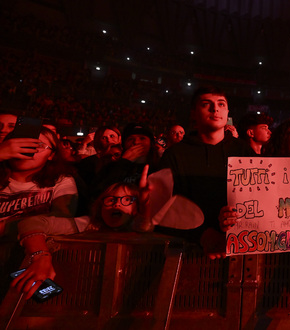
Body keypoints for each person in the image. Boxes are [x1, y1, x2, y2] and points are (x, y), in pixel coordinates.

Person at [10, 166, 151, 300]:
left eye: (127, 200)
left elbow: (144, 227)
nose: (117, 204)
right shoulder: (87, 225)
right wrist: (41, 257)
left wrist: (145, 206)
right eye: (111, 199)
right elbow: (30, 223)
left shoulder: (136, 226)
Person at [159, 86, 254, 258]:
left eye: (221, 104)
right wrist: (202, 234)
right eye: (206, 104)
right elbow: (164, 208)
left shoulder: (243, 151)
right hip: (187, 252)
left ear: (227, 112)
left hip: (239, 250)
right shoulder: (175, 155)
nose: (215, 109)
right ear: (194, 113)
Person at [0, 127, 77, 236]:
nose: (27, 150)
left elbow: (62, 218)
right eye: (20, 144)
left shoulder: (60, 181)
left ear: (51, 155)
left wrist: (5, 227)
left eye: (39, 145)